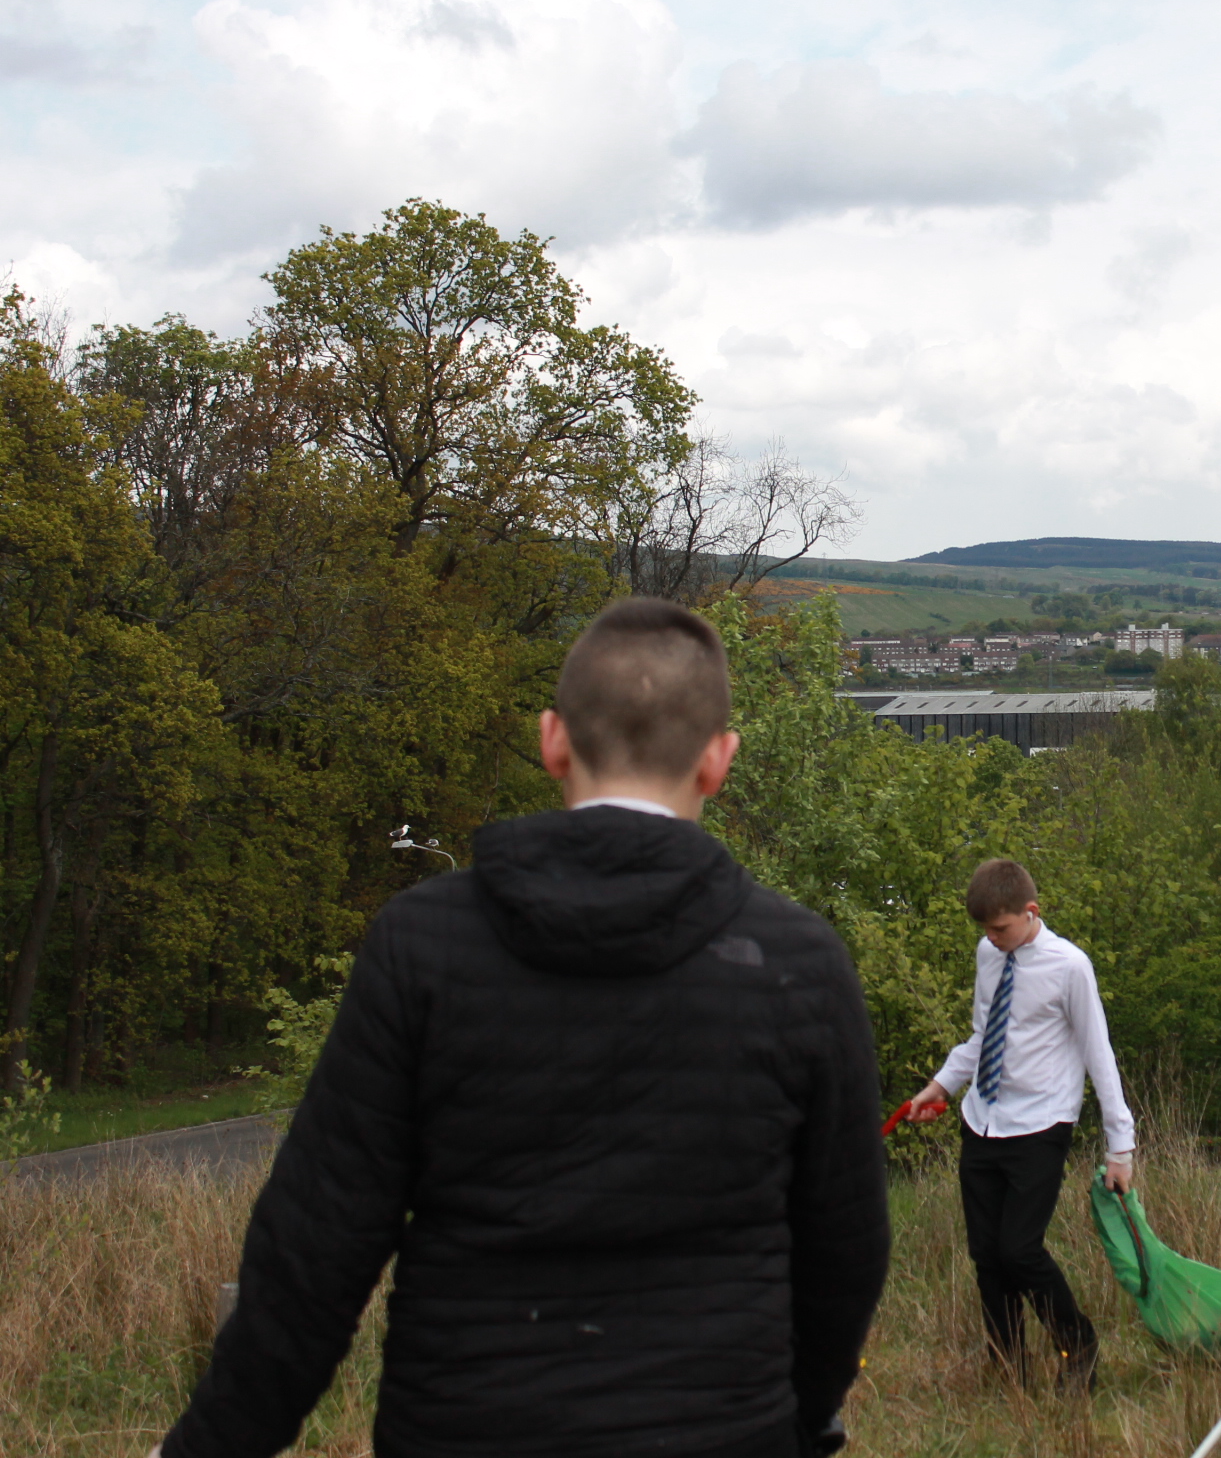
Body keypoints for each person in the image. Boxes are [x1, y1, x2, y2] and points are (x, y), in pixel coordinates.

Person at [153, 598, 890, 1458]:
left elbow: (315, 1249)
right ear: (718, 761)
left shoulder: (424, 945)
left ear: (552, 741)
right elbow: (846, 1251)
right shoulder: (799, 963)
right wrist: (799, 1418)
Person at [903, 859, 1134, 1393]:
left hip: (1040, 1125)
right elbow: (982, 1036)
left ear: (1031, 912)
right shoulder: (989, 954)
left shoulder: (1069, 966)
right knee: (987, 1255)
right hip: (983, 1119)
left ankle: (1078, 1346)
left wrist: (1120, 1148)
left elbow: (1099, 1056)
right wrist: (941, 1086)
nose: (992, 937)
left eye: (1000, 927)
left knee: (1020, 1251)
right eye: (986, 929)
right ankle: (1008, 1366)